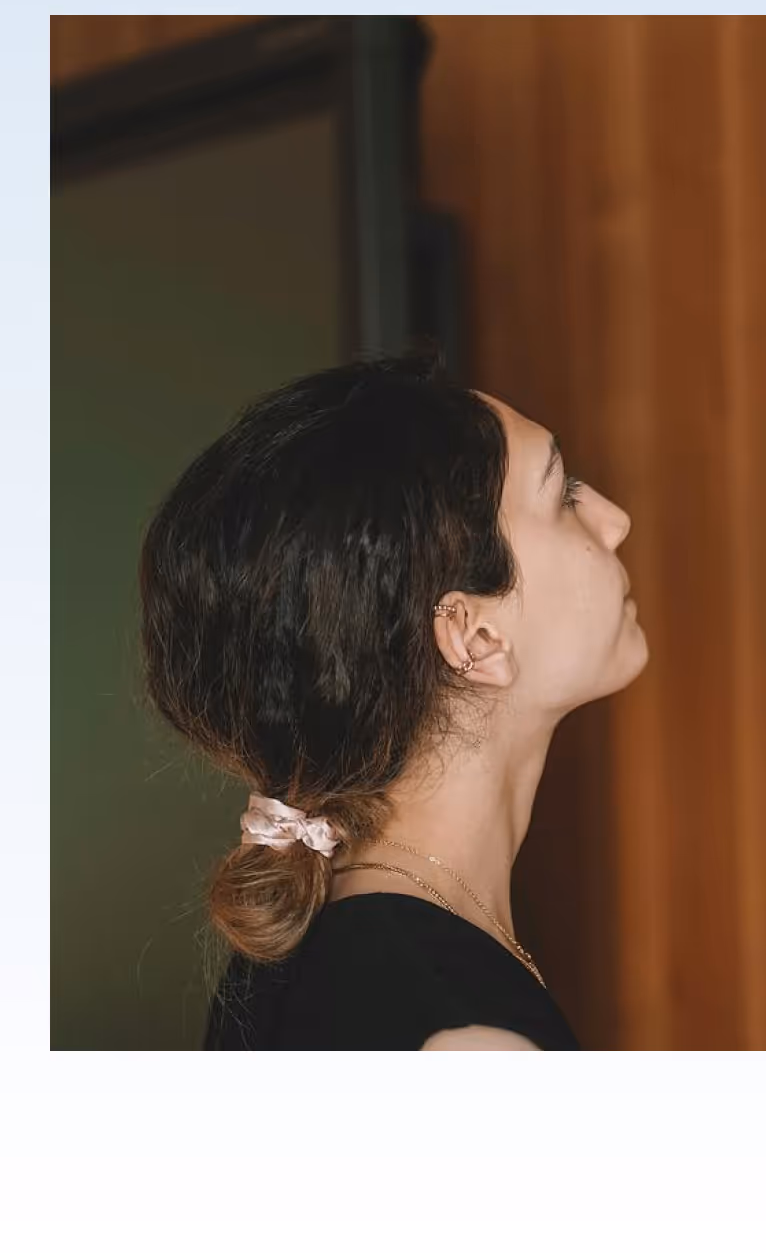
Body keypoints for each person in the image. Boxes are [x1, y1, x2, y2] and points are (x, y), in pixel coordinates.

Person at [138, 353, 645, 1050]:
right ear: (475, 637)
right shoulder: (464, 1036)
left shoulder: (299, 962)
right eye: (562, 495)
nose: (614, 521)